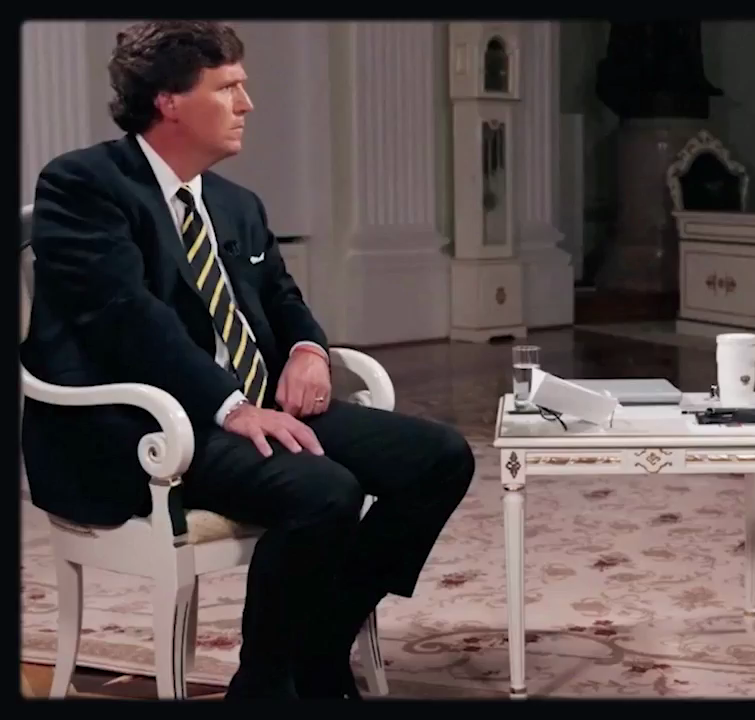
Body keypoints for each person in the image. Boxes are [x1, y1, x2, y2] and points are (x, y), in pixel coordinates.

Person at [22, 21, 476, 699]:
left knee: (439, 457)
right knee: (324, 491)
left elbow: (282, 296)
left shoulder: (236, 203)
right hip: (142, 427)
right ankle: (265, 686)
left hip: (251, 404)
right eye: (228, 87)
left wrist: (308, 351)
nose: (248, 104)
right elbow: (125, 318)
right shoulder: (83, 185)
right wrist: (231, 407)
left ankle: (319, 648)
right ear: (170, 102)